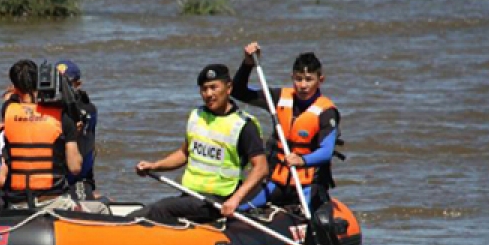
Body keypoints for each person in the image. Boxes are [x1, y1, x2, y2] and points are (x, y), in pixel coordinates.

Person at [132, 64, 268, 224]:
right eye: (204, 89)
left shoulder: (243, 124)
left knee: (160, 209)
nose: (209, 94)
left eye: (213, 87)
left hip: (218, 200)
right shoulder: (197, 116)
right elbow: (185, 153)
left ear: (229, 87)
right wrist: (154, 166)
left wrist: (235, 200)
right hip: (191, 195)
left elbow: (261, 167)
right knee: (146, 212)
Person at [232, 42, 342, 211]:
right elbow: (238, 91)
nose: (303, 85)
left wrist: (302, 160)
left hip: (307, 185)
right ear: (292, 77)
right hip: (276, 181)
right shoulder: (278, 98)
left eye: (309, 79)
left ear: (320, 80)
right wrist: (248, 64)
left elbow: (326, 152)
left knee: (319, 222)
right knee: (238, 208)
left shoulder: (326, 112)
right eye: (298, 79)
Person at [0, 59, 84, 210]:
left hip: (18, 204)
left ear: (14, 87)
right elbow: (75, 167)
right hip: (53, 201)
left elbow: (11, 101)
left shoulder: (8, 112)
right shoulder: (60, 116)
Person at [54, 60, 100, 201]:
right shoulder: (47, 108)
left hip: (77, 179)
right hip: (53, 177)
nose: (61, 89)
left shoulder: (87, 109)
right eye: (57, 84)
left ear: (78, 85)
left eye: (66, 85)